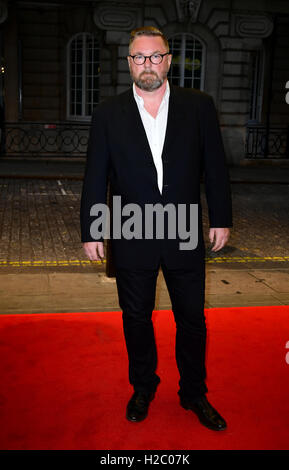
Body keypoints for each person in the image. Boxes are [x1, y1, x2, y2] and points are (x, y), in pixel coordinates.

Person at [80, 26, 232, 431]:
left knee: (192, 318)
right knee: (136, 317)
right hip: (132, 229)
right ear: (129, 62)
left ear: (168, 59)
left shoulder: (198, 106)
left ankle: (194, 393)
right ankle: (143, 386)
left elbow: (214, 167)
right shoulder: (108, 113)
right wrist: (93, 229)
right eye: (138, 57)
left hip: (183, 227)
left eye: (154, 56)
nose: (147, 64)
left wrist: (220, 218)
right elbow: (95, 174)